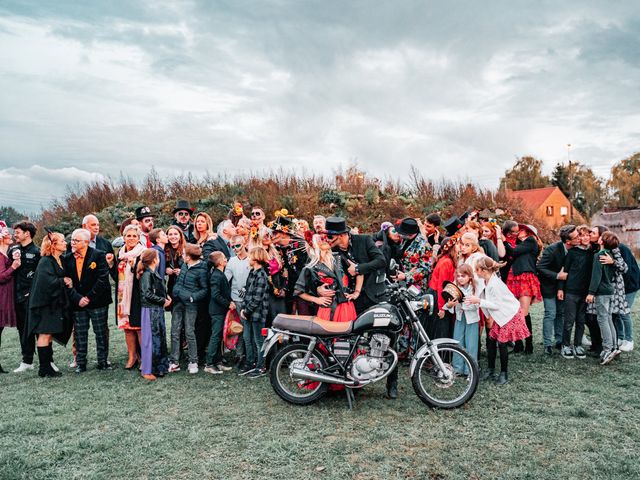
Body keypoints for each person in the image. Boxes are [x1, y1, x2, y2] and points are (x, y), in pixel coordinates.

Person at [465, 256, 530, 385]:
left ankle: (504, 373)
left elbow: (496, 305)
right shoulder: (486, 280)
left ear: (483, 270)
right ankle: (490, 369)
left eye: (477, 269)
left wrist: (478, 301)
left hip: (509, 314)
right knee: (491, 339)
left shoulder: (495, 284)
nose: (476, 272)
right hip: (500, 315)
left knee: (502, 343)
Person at [63, 228, 112, 373]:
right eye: (72, 240)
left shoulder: (98, 255)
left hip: (97, 301)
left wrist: (89, 297)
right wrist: (78, 298)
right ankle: (81, 363)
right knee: (79, 333)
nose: (72, 243)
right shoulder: (67, 258)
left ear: (86, 242)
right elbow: (66, 281)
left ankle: (102, 361)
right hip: (77, 302)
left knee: (101, 332)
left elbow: (103, 279)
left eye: (76, 240)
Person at [27, 231, 73, 378]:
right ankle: (44, 368)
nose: (65, 243)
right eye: (62, 241)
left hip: (53, 304)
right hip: (44, 305)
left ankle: (47, 366)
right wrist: (63, 280)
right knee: (44, 334)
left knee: (48, 335)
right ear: (53, 245)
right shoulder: (45, 262)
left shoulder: (59, 259)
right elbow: (45, 283)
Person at [295, 232, 361, 322]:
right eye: (321, 239)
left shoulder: (339, 257)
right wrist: (317, 300)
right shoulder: (310, 268)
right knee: (331, 335)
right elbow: (299, 291)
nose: (325, 240)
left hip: (347, 306)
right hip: (327, 308)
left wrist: (356, 293)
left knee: (348, 335)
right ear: (313, 244)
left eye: (326, 238)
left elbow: (359, 271)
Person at [537, 224, 579, 355]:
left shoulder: (575, 250)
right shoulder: (552, 250)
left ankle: (559, 340)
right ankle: (547, 344)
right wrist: (557, 275)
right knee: (551, 313)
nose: (580, 238)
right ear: (568, 241)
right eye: (577, 236)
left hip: (564, 287)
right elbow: (540, 268)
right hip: (549, 286)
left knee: (560, 313)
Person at [169, 243, 208, 374]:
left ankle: (193, 361)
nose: (182, 255)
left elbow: (204, 290)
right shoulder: (184, 265)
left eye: (185, 254)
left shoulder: (202, 269)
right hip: (178, 303)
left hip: (191, 305)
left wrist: (192, 297)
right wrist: (177, 293)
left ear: (190, 256)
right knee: (175, 331)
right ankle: (174, 361)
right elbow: (178, 283)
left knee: (190, 332)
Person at [503, 224, 541, 354]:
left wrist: (503, 240)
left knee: (523, 313)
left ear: (528, 232)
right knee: (515, 311)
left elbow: (513, 251)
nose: (518, 231)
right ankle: (518, 344)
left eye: (521, 229)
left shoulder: (531, 241)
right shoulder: (518, 243)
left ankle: (528, 344)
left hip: (525, 277)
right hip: (514, 277)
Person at [557, 225, 593, 359]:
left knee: (581, 320)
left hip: (585, 292)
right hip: (571, 291)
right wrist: (560, 288)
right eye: (581, 235)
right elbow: (564, 271)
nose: (584, 238)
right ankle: (565, 345)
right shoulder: (572, 252)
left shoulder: (592, 252)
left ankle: (578, 345)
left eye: (587, 235)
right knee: (569, 320)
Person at [10, 221, 41, 373]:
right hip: (17, 297)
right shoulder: (13, 250)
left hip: (33, 298)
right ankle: (27, 361)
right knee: (22, 330)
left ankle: (47, 360)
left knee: (39, 329)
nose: (15, 234)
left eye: (17, 232)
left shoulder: (37, 252)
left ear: (27, 233)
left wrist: (32, 292)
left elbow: (40, 276)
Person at [586, 232, 620, 365]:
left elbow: (596, 276)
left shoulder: (599, 255)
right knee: (608, 317)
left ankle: (607, 349)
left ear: (602, 242)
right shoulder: (609, 255)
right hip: (610, 291)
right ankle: (614, 347)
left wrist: (591, 292)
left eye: (600, 237)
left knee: (602, 319)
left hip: (602, 292)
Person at [138, 248, 171, 381]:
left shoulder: (153, 273)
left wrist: (165, 297)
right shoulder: (147, 275)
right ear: (154, 260)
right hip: (150, 310)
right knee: (150, 340)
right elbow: (147, 294)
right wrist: (163, 300)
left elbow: (157, 290)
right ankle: (147, 369)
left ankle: (159, 367)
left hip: (157, 310)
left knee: (159, 339)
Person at [116, 224, 145, 370]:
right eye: (129, 235)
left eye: (134, 236)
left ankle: (144, 359)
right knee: (127, 328)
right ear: (124, 237)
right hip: (122, 297)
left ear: (139, 238)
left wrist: (135, 266)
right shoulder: (120, 254)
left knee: (139, 327)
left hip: (136, 296)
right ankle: (132, 356)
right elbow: (116, 276)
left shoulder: (143, 253)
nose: (131, 238)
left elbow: (145, 275)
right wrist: (110, 266)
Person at [239, 247, 271, 378]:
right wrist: (243, 308)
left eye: (250, 256)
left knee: (259, 341)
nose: (248, 258)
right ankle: (250, 362)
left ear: (256, 258)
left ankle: (261, 366)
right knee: (247, 338)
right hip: (247, 312)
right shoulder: (252, 273)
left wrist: (246, 311)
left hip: (257, 314)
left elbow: (257, 298)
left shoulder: (262, 275)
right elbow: (247, 292)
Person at [443, 264, 480, 375]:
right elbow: (447, 304)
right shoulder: (454, 286)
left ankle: (470, 370)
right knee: (458, 342)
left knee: (471, 344)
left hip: (472, 319)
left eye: (463, 276)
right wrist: (449, 305)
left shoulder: (475, 287)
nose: (460, 278)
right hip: (459, 318)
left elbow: (478, 305)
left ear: (469, 276)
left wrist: (464, 303)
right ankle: (458, 368)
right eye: (458, 276)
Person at [271, 213, 311, 314]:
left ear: (284, 233)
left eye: (275, 233)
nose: (272, 236)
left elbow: (307, 270)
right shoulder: (277, 248)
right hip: (288, 292)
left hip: (303, 291)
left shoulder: (301, 245)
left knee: (304, 318)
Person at [204, 251, 234, 375]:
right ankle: (209, 363)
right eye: (223, 257)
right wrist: (228, 303)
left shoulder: (220, 274)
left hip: (221, 310)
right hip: (217, 311)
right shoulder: (216, 276)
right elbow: (215, 295)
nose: (226, 259)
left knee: (220, 337)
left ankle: (218, 362)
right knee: (216, 336)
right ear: (219, 262)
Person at [224, 234, 251, 365]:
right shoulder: (231, 261)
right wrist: (229, 300)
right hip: (236, 299)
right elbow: (225, 280)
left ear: (244, 243)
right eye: (232, 246)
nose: (235, 249)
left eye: (238, 245)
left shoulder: (251, 259)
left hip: (251, 299)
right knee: (240, 327)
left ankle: (249, 354)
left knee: (249, 328)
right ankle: (240, 354)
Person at [430, 236, 459, 339]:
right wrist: (442, 308)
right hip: (439, 297)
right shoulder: (446, 262)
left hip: (440, 296)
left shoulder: (446, 259)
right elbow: (442, 286)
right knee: (441, 328)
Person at [0, 221, 19, 373]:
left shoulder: (7, 252)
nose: (11, 235)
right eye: (7, 234)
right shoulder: (0, 255)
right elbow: (1, 277)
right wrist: (13, 267)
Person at [395, 217, 433, 291]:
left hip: (415, 286)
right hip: (401, 282)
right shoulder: (405, 240)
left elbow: (425, 269)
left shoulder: (424, 246)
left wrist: (406, 276)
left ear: (409, 234)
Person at [615, 241, 639, 352]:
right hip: (619, 288)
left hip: (630, 286)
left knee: (624, 312)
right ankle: (620, 338)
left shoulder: (621, 248)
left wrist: (622, 289)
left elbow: (627, 270)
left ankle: (629, 340)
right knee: (616, 313)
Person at [164, 226, 185, 303]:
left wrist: (182, 271)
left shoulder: (187, 249)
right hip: (171, 285)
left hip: (185, 285)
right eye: (170, 234)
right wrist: (165, 270)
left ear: (180, 236)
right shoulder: (164, 250)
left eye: (175, 234)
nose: (173, 237)